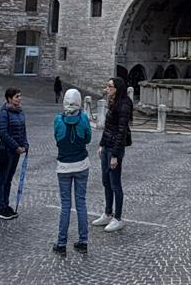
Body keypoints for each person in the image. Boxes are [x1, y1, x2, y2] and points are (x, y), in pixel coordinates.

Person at [52, 88, 91, 254]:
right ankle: (83, 241)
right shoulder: (83, 119)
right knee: (81, 203)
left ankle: (61, 243)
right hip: (81, 164)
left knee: (65, 205)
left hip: (64, 166)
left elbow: (57, 138)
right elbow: (88, 139)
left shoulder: (58, 120)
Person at [93, 76, 132, 232]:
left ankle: (118, 218)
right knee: (106, 181)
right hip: (107, 146)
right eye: (107, 86)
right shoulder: (113, 102)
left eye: (110, 86)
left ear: (117, 88)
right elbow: (108, 127)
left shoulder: (124, 105)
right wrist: (102, 144)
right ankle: (108, 213)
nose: (107, 89)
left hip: (115, 149)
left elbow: (121, 131)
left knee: (115, 183)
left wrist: (115, 154)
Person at [0, 87, 28, 219]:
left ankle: (6, 205)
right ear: (9, 98)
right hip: (7, 151)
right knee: (2, 179)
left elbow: (23, 130)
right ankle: (1, 207)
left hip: (17, 152)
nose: (19, 99)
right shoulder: (4, 113)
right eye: (16, 96)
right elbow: (3, 133)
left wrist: (25, 144)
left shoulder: (20, 112)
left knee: (8, 179)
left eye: (20, 96)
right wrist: (15, 146)